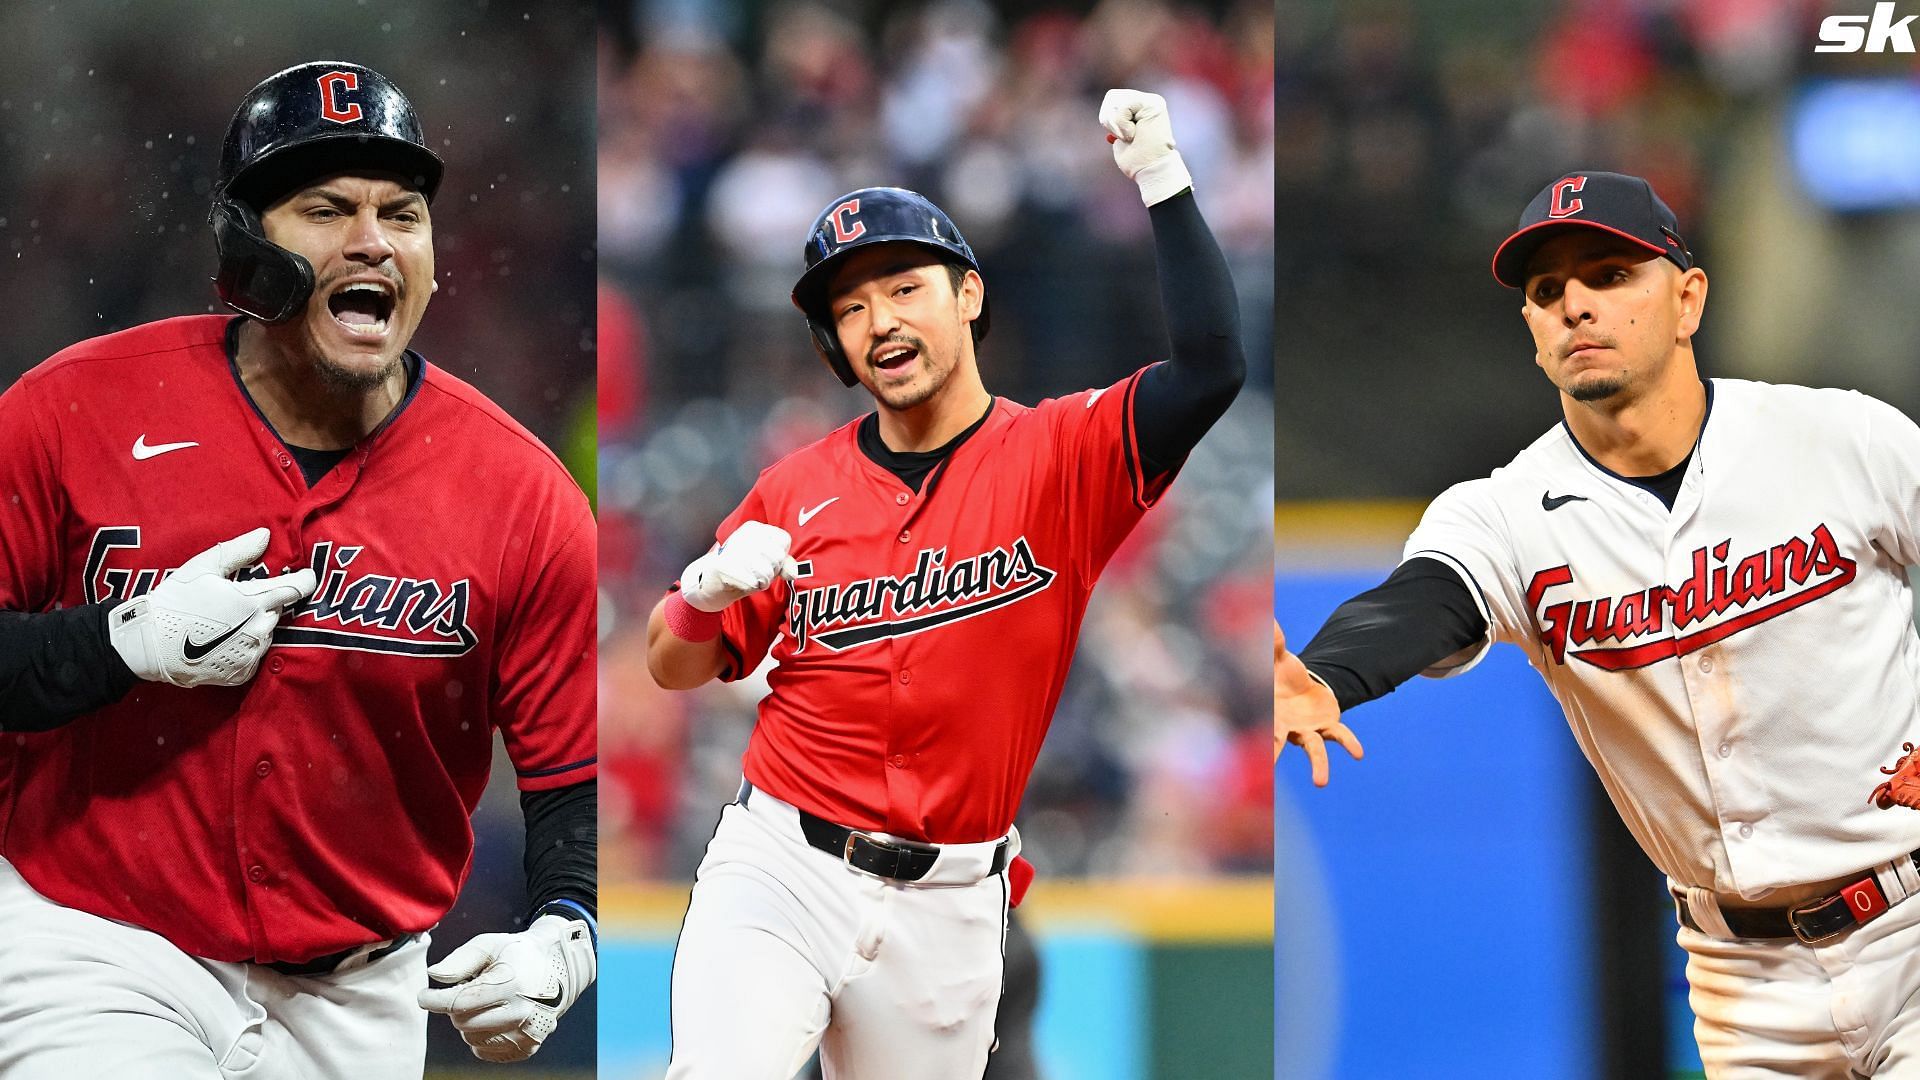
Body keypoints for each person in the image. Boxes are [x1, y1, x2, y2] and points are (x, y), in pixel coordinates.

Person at [0, 61, 596, 1077]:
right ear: (242, 251)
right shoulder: (72, 410)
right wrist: (119, 642)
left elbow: (567, 778)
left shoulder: (524, 495)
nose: (372, 241)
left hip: (362, 996)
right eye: (325, 209)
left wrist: (564, 938)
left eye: (402, 215)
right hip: (94, 939)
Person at [648, 88, 1245, 1078]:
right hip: (782, 865)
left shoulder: (1063, 454)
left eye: (902, 287)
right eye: (848, 307)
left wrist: (1164, 182)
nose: (877, 320)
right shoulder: (793, 487)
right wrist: (699, 595)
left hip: (955, 902)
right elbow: (674, 668)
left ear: (968, 294)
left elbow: (1212, 366)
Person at [1277, 169, 1920, 1075]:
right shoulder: (1505, 514)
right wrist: (1325, 672)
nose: (1576, 304)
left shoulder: (1840, 439)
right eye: (1548, 292)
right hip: (1741, 984)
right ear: (1533, 332)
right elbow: (1426, 597)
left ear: (1688, 298)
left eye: (1611, 275)